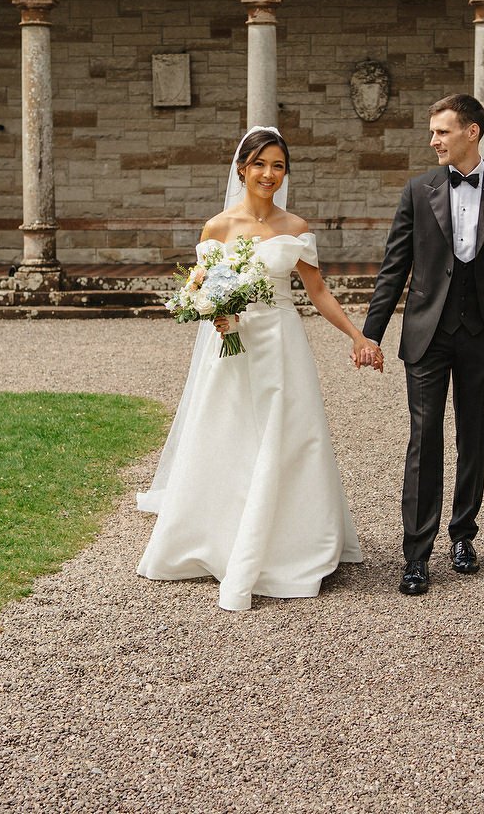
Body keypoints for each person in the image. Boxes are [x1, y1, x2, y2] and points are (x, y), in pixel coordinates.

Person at [137, 126, 376, 612]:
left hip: (282, 344)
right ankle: (220, 538)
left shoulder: (295, 227)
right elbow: (196, 290)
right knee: (226, 436)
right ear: (242, 168)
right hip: (231, 346)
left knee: (291, 438)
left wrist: (357, 336)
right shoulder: (217, 228)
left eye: (279, 166)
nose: (269, 174)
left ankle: (294, 543)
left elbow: (319, 292)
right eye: (261, 164)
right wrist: (211, 311)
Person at [358, 93, 484, 596]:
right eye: (432, 132)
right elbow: (394, 268)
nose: (433, 140)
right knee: (424, 438)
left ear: (472, 132)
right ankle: (416, 555)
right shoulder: (418, 191)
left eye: (442, 131)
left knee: (474, 437)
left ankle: (463, 535)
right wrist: (371, 332)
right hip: (427, 334)